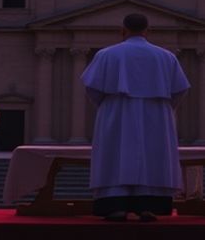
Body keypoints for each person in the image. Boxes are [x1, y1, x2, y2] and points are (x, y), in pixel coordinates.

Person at [81, 13, 190, 222]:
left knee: (114, 156)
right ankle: (149, 206)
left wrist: (108, 105)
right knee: (152, 158)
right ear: (148, 31)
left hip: (116, 113)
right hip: (156, 115)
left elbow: (92, 88)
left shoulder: (106, 55)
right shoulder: (166, 56)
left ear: (123, 30)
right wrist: (164, 107)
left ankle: (115, 206)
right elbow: (179, 90)